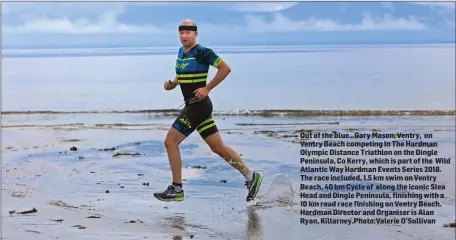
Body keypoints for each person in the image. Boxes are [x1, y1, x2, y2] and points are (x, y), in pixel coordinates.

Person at [153, 19, 264, 202]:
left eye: (188, 32)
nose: (184, 36)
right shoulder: (182, 52)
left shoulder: (203, 52)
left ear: (196, 34)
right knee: (217, 147)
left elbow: (225, 69)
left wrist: (208, 88)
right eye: (181, 33)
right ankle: (251, 177)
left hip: (198, 107)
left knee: (170, 142)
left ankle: (177, 188)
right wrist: (173, 83)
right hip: (195, 107)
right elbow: (183, 73)